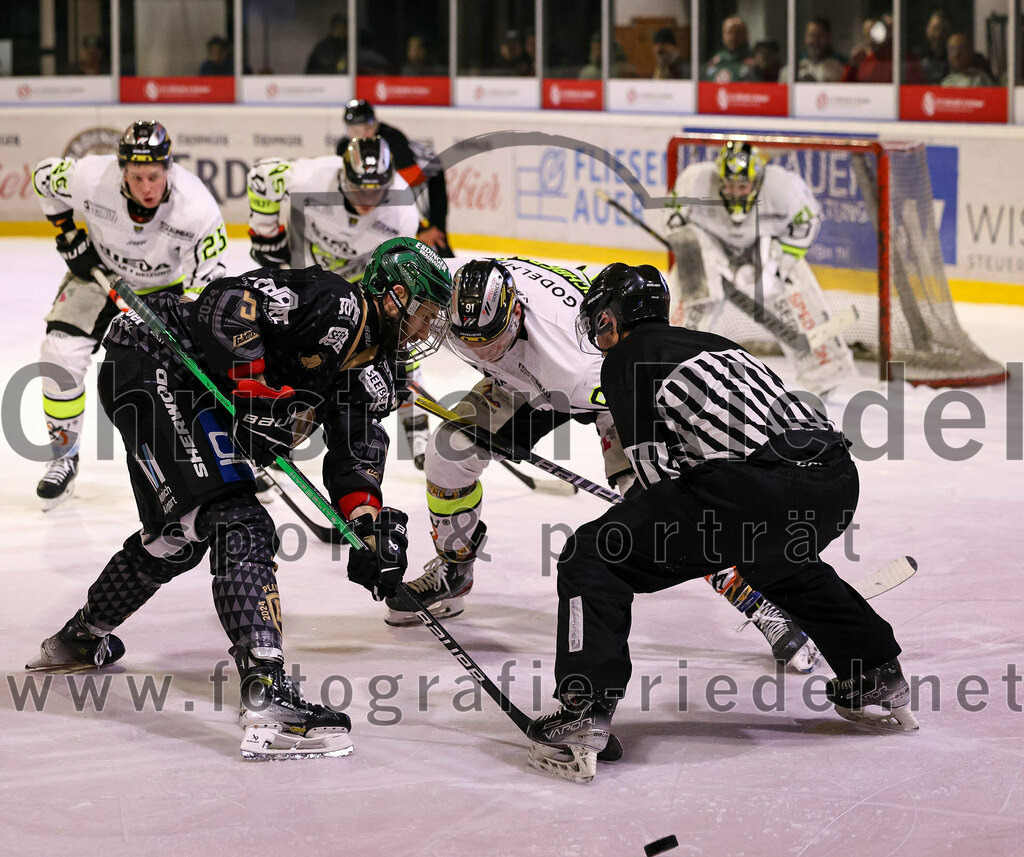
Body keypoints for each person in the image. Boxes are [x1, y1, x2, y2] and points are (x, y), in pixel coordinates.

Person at [26, 238, 454, 761]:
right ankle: (265, 692)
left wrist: (367, 529)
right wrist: (253, 387)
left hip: (193, 394)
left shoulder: (377, 370)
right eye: (426, 313)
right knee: (240, 520)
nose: (428, 329)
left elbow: (356, 450)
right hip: (155, 357)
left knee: (179, 536)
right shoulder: (334, 302)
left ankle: (78, 639)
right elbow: (229, 301)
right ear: (393, 298)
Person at [526, 263, 917, 784]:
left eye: (600, 323)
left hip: (756, 489)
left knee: (592, 554)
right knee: (776, 559)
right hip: (835, 481)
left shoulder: (624, 358)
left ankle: (583, 708)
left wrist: (643, 519)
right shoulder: (715, 342)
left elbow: (654, 475)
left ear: (615, 318)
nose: (599, 336)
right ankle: (873, 671)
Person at [384, 257, 821, 674]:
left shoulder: (575, 363)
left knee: (658, 501)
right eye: (472, 342)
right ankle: (454, 568)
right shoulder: (457, 294)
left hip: (606, 384)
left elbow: (632, 394)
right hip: (519, 382)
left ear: (515, 312)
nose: (484, 351)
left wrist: (657, 474)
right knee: (447, 456)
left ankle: (762, 603)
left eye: (492, 340)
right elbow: (408, 318)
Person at [31, 120, 227, 510]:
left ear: (168, 167)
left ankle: (227, 453)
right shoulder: (90, 176)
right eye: (137, 177)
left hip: (169, 291)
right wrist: (67, 233)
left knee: (199, 365)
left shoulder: (196, 207)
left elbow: (208, 289)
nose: (147, 187)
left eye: (155, 176)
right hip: (100, 277)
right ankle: (64, 456)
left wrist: (181, 329)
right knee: (59, 353)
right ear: (123, 169)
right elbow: (42, 177)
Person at [247, 137, 430, 468]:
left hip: (364, 282)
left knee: (398, 342)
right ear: (344, 177)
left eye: (376, 191)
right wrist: (266, 233)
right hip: (310, 280)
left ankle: (415, 430)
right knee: (296, 354)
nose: (367, 200)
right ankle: (272, 428)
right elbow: (263, 175)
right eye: (360, 189)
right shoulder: (314, 177)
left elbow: (402, 273)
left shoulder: (402, 211)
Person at [664, 140, 856, 397]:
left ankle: (825, 369)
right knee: (697, 297)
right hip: (710, 245)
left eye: (742, 185)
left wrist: (779, 263)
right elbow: (675, 225)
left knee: (783, 290)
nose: (735, 192)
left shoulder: (785, 190)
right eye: (729, 185)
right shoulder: (694, 182)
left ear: (758, 180)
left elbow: (806, 225)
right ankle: (670, 367)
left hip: (763, 244)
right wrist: (704, 262)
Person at [338, 99, 453, 258]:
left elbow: (409, 185)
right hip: (396, 191)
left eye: (365, 128)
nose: (360, 135)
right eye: (354, 130)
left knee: (434, 242)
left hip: (426, 185)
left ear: (374, 125)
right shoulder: (345, 147)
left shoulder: (391, 140)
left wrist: (430, 226)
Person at [702, 16, 760, 82]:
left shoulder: (753, 59)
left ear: (745, 35)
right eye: (729, 32)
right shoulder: (717, 59)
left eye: (738, 33)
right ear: (723, 34)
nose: (733, 37)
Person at [791, 17, 845, 82]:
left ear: (828, 38)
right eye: (812, 35)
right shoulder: (795, 65)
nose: (815, 41)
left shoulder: (841, 66)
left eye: (820, 36)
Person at [917, 11, 952, 85]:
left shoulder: (953, 57)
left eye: (943, 29)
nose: (938, 33)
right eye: (935, 28)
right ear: (927, 30)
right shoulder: (917, 56)